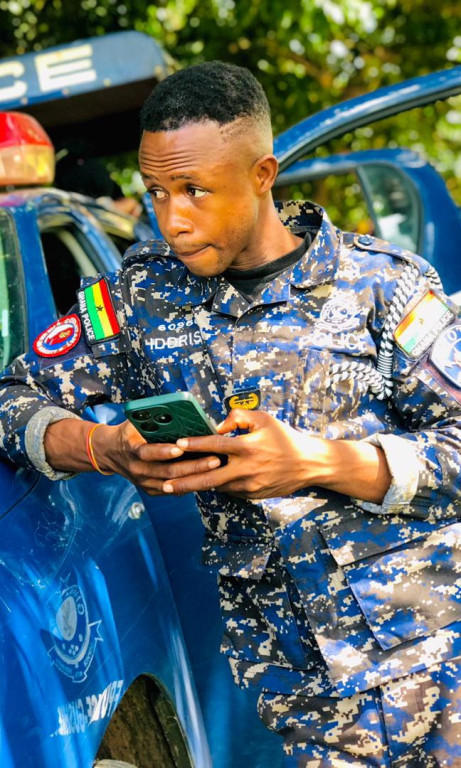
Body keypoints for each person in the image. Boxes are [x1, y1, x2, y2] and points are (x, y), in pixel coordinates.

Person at [1, 61, 461, 767]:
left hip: (438, 661)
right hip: (305, 693)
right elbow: (11, 397)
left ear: (262, 174)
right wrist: (102, 447)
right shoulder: (137, 301)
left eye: (195, 190)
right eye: (156, 192)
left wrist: (318, 462)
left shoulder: (383, 286)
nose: (173, 220)